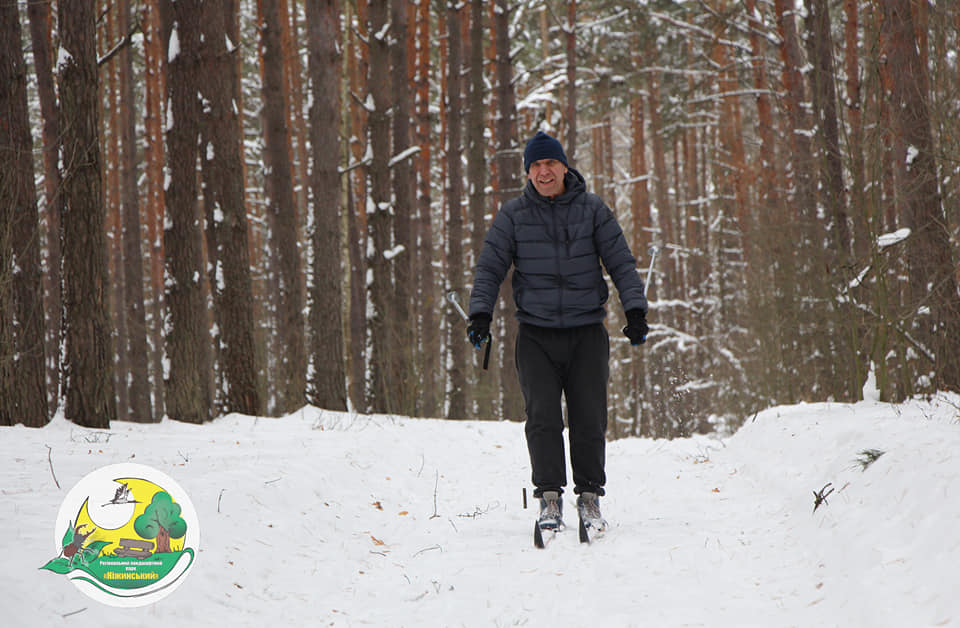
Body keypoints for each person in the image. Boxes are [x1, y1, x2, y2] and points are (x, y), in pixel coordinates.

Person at [466, 130, 649, 534]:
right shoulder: (513, 215)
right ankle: (549, 498)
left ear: (564, 166)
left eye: (550, 164)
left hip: (587, 331)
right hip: (535, 334)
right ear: (528, 173)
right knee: (543, 418)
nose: (543, 171)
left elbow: (621, 262)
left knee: (588, 416)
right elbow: (489, 268)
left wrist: (635, 310)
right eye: (536, 166)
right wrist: (479, 315)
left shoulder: (592, 210)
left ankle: (589, 499)